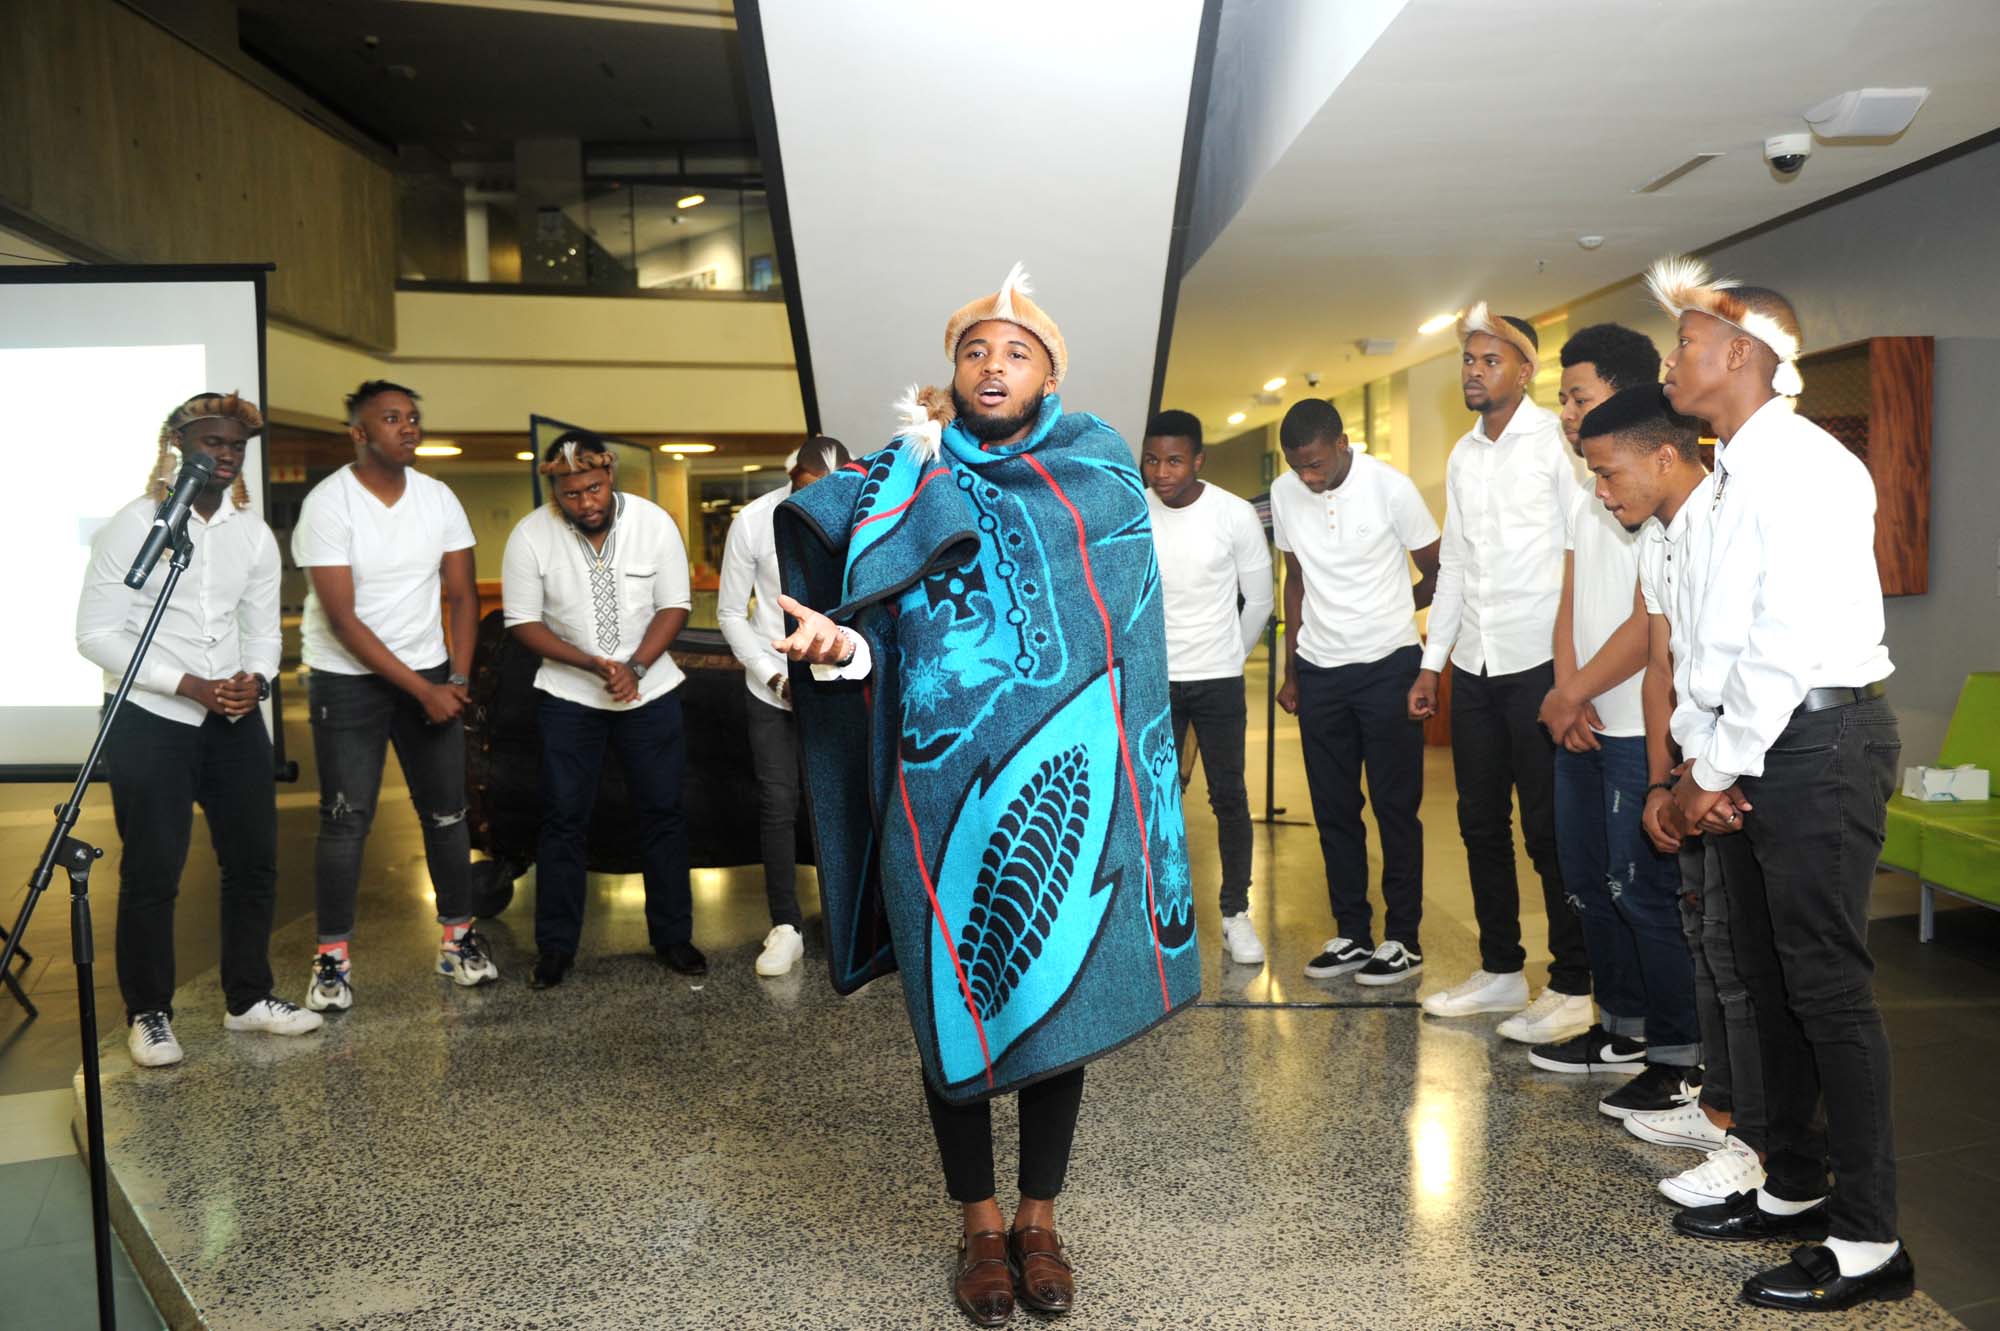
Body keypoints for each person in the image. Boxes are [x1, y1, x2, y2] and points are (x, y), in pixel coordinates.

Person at [771, 264, 1200, 1326]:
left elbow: (1125, 632)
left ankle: (1040, 1217)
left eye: (1014, 350)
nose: (990, 364)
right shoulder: (899, 481)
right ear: (949, 373)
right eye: (972, 349)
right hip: (937, 795)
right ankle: (977, 1224)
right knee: (952, 1007)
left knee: (1057, 987)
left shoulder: (1099, 470)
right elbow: (881, 636)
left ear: (1049, 371)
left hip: (1075, 787)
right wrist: (841, 646)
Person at [1642, 257, 1910, 1312]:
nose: (1673, 356)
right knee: (1767, 975)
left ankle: (1870, 1235)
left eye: (1687, 341)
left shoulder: (1802, 466)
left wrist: (1708, 770)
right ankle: (1793, 1186)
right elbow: (1707, 648)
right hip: (1757, 751)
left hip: (1817, 742)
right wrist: (1697, 762)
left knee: (1827, 988)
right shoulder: (1728, 480)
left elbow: (1781, 642)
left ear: (1742, 354)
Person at [77, 393, 322, 1066]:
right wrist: (187, 684)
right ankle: (149, 1013)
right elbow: (94, 633)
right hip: (150, 717)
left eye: (237, 446)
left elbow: (264, 627)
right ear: (177, 444)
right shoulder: (138, 523)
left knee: (254, 863)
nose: (225, 454)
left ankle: (248, 998)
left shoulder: (251, 532)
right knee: (154, 870)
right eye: (212, 441)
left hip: (234, 717)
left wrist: (257, 679)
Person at [1573, 387, 1769, 1213]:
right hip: (1700, 766)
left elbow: (1755, 658)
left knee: (1770, 971)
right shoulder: (1659, 539)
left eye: (1608, 472)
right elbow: (1667, 667)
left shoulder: (1734, 518)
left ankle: (1762, 1144)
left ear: (1661, 454)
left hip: (1753, 762)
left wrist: (1714, 777)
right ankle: (1721, 1104)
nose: (1601, 492)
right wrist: (1668, 779)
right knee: (1714, 943)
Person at [1530, 325, 1700, 1119]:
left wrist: (1577, 692)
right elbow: (1572, 599)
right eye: (1563, 399)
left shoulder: (1652, 488)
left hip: (1638, 720)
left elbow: (1649, 619)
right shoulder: (1589, 481)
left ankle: (1679, 1054)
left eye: (1580, 396)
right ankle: (1622, 1028)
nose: (1567, 413)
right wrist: (1568, 689)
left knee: (1645, 893)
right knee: (1591, 885)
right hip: (1585, 715)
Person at [1412, 305, 1592, 1043]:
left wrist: (1572, 675)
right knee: (1478, 821)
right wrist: (1433, 662)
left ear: (1525, 370)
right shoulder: (1462, 454)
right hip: (1476, 663)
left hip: (1540, 664)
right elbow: (1453, 565)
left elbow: (1585, 556)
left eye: (1490, 360)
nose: (1474, 371)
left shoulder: (1558, 445)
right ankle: (1500, 969)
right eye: (1468, 360)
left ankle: (1575, 982)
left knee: (1550, 830)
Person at [292, 380, 496, 1010]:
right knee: (346, 819)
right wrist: (422, 691)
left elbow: (462, 596)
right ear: (359, 433)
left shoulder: (438, 498)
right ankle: (332, 960)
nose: (408, 427)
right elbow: (344, 620)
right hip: (346, 679)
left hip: (431, 672)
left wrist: (455, 680)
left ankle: (457, 939)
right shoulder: (329, 505)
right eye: (390, 418)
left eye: (413, 417)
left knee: (447, 813)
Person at [500, 431, 701, 988]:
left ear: (610, 476)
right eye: (571, 494)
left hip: (652, 692)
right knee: (564, 819)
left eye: (593, 488)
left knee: (663, 813)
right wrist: (594, 665)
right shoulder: (530, 536)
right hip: (568, 698)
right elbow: (522, 621)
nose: (585, 502)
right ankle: (556, 948)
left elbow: (674, 604)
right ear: (554, 490)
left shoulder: (654, 523)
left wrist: (633, 667)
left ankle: (673, 937)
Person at [1271, 399, 1439, 984]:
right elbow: (1295, 580)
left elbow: (1438, 570)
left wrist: (1393, 612)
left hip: (1389, 665)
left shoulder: (1392, 488)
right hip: (1320, 669)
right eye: (1298, 468)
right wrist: (1292, 671)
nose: (1307, 478)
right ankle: (1351, 932)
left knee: (1396, 807)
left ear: (1342, 443)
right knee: (1334, 808)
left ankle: (1403, 939)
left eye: (1316, 464)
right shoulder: (1285, 491)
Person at [1139, 409, 1273, 966]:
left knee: (1230, 798)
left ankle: (1235, 913)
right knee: (1154, 799)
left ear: (1198, 460)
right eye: (1152, 459)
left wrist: (1227, 657)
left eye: (1174, 460)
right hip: (1154, 679)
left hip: (1217, 680)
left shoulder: (1233, 514)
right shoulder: (1135, 512)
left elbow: (1259, 599)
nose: (1162, 471)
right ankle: (1157, 913)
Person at [717, 435, 851, 976]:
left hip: (840, 679)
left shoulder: (858, 512)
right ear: (790, 474)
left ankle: (848, 926)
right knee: (778, 804)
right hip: (772, 683)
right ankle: (786, 927)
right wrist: (775, 678)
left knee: (844, 802)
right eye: (809, 488)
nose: (821, 500)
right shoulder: (753, 522)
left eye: (834, 490)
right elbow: (730, 613)